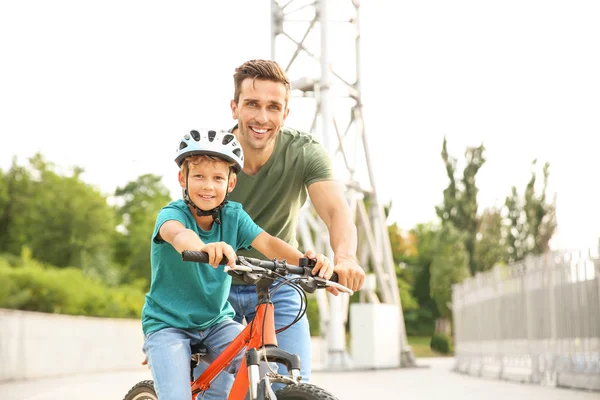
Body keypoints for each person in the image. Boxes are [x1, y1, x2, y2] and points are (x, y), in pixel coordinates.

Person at [197, 59, 366, 395]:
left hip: (278, 278)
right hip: (217, 281)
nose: (262, 117)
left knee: (288, 384)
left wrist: (345, 257)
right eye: (252, 105)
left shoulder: (304, 152)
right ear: (235, 107)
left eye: (274, 107)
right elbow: (186, 226)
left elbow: (336, 210)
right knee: (215, 391)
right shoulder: (212, 156)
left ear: (285, 113)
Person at [141, 128, 333, 400]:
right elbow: (179, 235)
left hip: (216, 322)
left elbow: (268, 243)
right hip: (168, 325)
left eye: (218, 178)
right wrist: (204, 247)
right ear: (182, 178)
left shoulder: (234, 216)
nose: (208, 186)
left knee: (263, 371)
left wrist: (306, 261)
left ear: (230, 184)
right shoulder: (172, 214)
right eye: (198, 176)